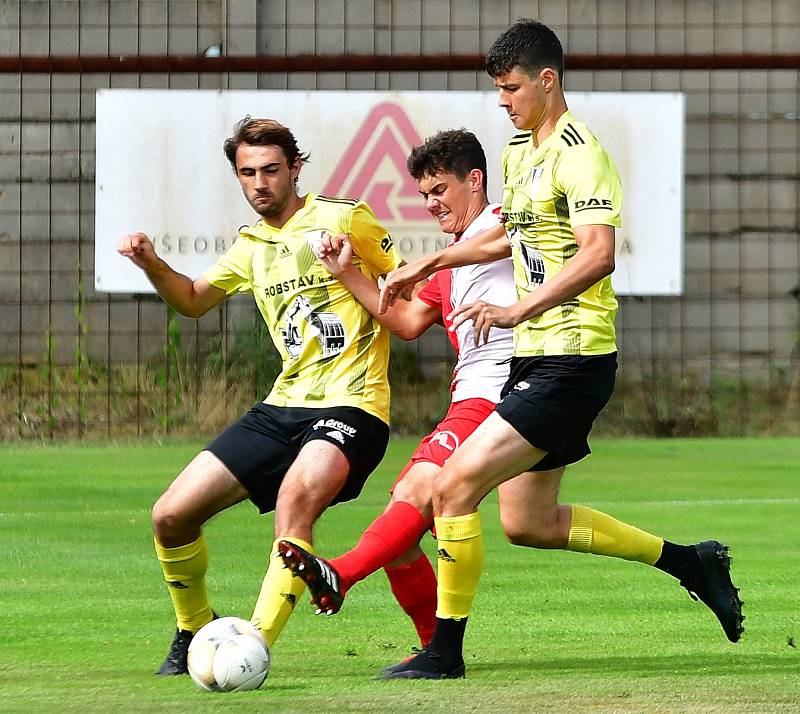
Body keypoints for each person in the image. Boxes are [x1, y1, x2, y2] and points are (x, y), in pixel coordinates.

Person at [373, 19, 744, 679]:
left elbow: (598, 256)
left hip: (574, 362)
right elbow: (505, 241)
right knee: (529, 522)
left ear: (547, 79)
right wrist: (430, 262)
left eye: (512, 88)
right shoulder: (520, 151)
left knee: (453, 488)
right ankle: (691, 561)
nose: (503, 101)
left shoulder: (582, 155)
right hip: (535, 361)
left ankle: (444, 654)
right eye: (498, 90)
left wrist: (519, 307)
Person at [117, 116, 403, 676]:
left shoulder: (345, 218)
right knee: (170, 515)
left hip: (354, 404)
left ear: (296, 168)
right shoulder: (251, 245)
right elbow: (195, 300)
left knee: (296, 502)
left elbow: (406, 284)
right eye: (247, 173)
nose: (259, 183)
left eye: (271, 170)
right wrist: (152, 263)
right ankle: (193, 628)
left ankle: (253, 646)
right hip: (283, 406)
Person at [277, 129, 517, 654]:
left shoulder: (502, 221)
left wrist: (428, 262)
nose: (431, 204)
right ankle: (435, 647)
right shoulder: (455, 256)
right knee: (407, 528)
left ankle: (340, 573)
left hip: (498, 393)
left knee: (412, 501)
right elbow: (407, 321)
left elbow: (508, 242)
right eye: (424, 195)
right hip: (472, 396)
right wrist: (346, 274)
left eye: (440, 190)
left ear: (474, 181)